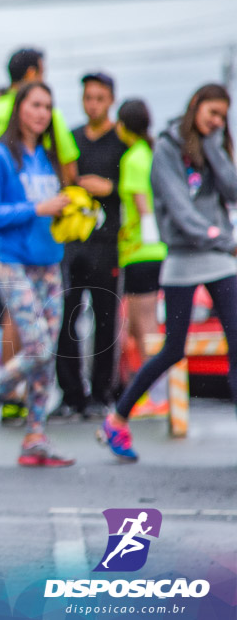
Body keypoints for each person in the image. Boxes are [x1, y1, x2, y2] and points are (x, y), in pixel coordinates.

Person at [99, 84, 236, 463]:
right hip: (182, 261)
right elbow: (180, 211)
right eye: (212, 113)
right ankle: (118, 418)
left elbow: (233, 190)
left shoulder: (215, 145)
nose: (217, 121)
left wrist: (213, 146)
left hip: (221, 262)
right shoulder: (165, 150)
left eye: (223, 116)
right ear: (195, 107)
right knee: (172, 348)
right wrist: (223, 239)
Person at [0, 49, 80, 425]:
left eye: (48, 106)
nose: (42, 113)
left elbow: (57, 204)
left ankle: (35, 436)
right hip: (13, 264)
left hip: (50, 264)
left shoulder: (47, 158)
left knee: (47, 356)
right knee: (38, 348)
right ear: (19, 108)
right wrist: (37, 209)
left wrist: (75, 210)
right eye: (35, 105)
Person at [53, 72, 129, 421]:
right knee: (66, 318)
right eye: (87, 98)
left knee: (106, 318)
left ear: (110, 99)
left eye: (99, 98)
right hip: (72, 241)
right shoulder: (71, 139)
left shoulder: (123, 141)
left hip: (108, 242)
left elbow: (140, 186)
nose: (92, 104)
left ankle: (102, 393)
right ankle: (70, 394)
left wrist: (109, 188)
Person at [114, 99, 166, 412]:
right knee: (136, 325)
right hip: (145, 252)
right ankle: (148, 391)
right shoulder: (150, 153)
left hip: (141, 251)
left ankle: (158, 396)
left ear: (123, 126)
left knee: (146, 326)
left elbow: (142, 202)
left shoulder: (134, 158)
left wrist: (145, 231)